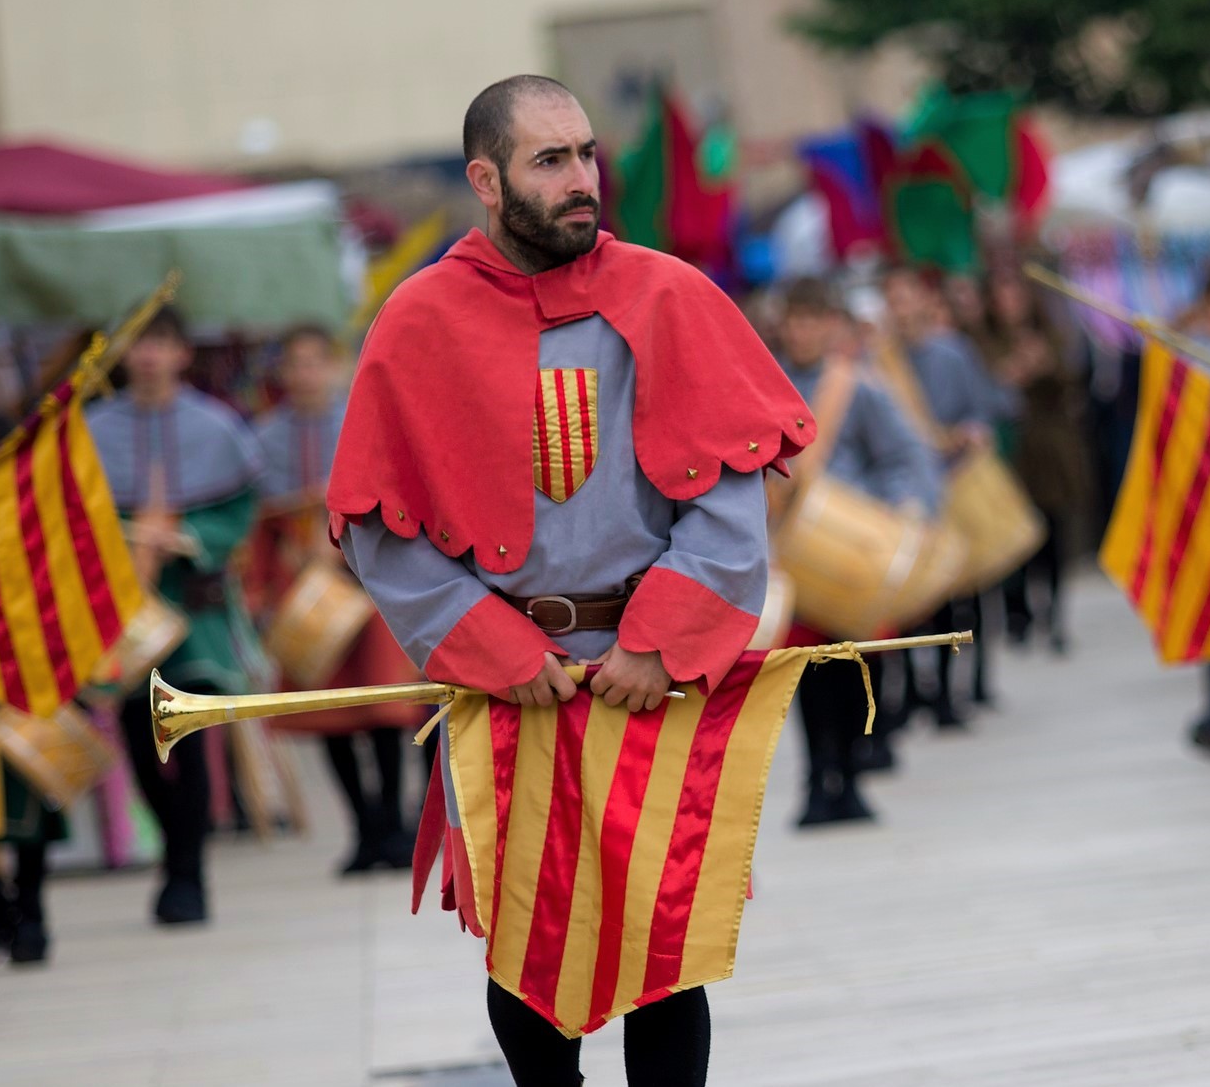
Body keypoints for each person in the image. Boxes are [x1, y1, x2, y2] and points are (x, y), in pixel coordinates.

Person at [331, 75, 811, 1086]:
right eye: (550, 160)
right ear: (485, 178)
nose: (581, 179)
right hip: (510, 685)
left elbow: (729, 501)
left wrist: (658, 638)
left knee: (662, 932)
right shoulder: (417, 320)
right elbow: (380, 531)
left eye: (586, 153)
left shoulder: (672, 292)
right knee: (525, 931)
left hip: (649, 673)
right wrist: (498, 650)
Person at [86, 308, 267, 927]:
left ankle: (188, 874)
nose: (148, 356)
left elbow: (241, 507)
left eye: (160, 343)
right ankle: (173, 855)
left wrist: (189, 535)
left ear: (181, 352)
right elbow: (72, 519)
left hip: (194, 606)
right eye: (136, 343)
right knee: (140, 744)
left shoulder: (215, 426)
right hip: (124, 608)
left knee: (187, 738)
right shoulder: (90, 430)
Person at [251, 326, 422, 875]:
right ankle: (364, 830)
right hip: (303, 592)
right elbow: (261, 527)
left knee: (384, 708)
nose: (305, 374)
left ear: (334, 366)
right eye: (294, 364)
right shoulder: (262, 440)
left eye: (314, 363)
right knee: (326, 711)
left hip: (365, 585)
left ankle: (395, 829)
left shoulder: (362, 420)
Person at [772, 278, 941, 826]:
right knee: (804, 670)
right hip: (790, 551)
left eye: (812, 320)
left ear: (829, 326)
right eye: (794, 321)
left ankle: (849, 772)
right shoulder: (762, 387)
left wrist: (902, 506)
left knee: (855, 667)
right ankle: (817, 776)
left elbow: (902, 455)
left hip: (852, 547)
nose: (801, 331)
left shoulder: (858, 387)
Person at [878, 266, 1019, 728]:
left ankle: (968, 683)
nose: (899, 309)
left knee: (965, 593)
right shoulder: (879, 362)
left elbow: (987, 405)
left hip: (953, 483)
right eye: (890, 299)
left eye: (905, 297)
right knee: (913, 599)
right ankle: (917, 691)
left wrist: (970, 433)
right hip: (905, 495)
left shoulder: (952, 352)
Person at [981, 260, 1095, 655]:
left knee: (1055, 531)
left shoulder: (1051, 334)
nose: (1008, 301)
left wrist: (1047, 366)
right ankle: (1020, 612)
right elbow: (982, 391)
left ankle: (1055, 614)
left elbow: (1077, 381)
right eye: (1001, 294)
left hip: (1051, 445)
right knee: (1019, 533)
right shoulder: (985, 340)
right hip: (1013, 449)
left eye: (1014, 292)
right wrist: (1008, 375)